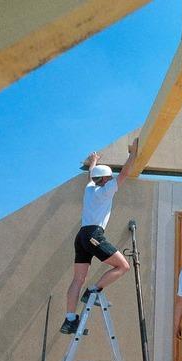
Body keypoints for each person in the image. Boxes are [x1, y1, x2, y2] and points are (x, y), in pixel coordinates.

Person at [59, 138, 139, 334]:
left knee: (77, 279)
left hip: (81, 236)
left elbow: (90, 176)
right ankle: (93, 290)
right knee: (123, 266)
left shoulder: (90, 189)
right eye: (109, 177)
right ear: (104, 180)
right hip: (94, 234)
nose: (112, 180)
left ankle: (70, 320)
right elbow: (125, 174)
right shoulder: (105, 190)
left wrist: (94, 160)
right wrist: (133, 154)